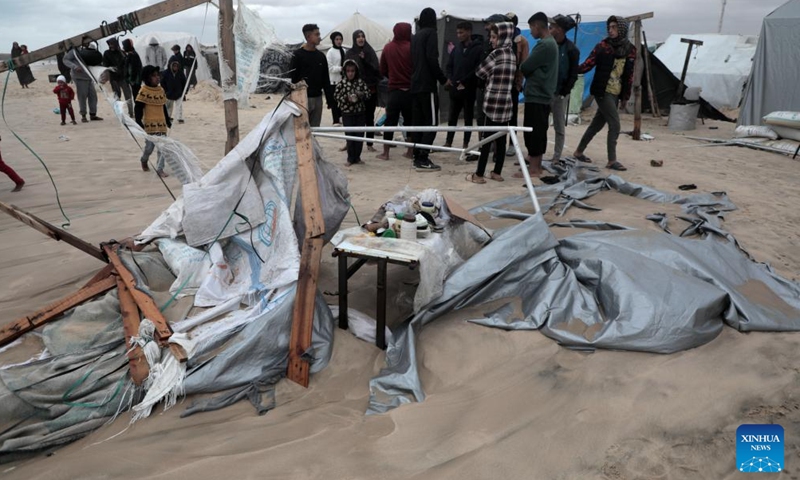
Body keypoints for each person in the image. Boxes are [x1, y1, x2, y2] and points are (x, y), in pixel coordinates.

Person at [572, 15, 636, 171]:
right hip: (602, 91)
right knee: (615, 124)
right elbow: (588, 64)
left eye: (614, 27)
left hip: (616, 92)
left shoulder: (630, 50)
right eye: (610, 27)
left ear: (622, 29)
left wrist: (625, 97)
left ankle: (578, 151)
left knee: (596, 124)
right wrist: (572, 71)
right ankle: (611, 160)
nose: (611, 30)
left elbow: (629, 76)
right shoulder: (603, 46)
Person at [466, 21, 515, 184]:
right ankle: (496, 172)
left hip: (492, 103)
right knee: (501, 139)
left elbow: (480, 72)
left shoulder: (496, 54)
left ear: (502, 37)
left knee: (486, 139)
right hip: (505, 104)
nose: (491, 40)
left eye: (494, 37)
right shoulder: (512, 54)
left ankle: (479, 174)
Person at [515, 12, 559, 178]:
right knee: (539, 130)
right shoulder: (550, 43)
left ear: (537, 26)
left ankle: (533, 169)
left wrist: (523, 65)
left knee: (533, 132)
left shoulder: (544, 45)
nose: (531, 31)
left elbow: (526, 66)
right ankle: (536, 166)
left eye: (531, 27)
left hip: (538, 94)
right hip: (542, 94)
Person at [411, 7, 450, 172]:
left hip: (415, 84)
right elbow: (432, 59)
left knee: (419, 123)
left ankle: (417, 156)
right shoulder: (431, 34)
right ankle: (423, 157)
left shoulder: (416, 36)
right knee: (432, 122)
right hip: (427, 85)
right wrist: (443, 80)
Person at [378, 22, 414, 161]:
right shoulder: (412, 48)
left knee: (390, 122)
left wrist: (394, 76)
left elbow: (382, 70)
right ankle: (410, 151)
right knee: (410, 122)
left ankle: (386, 153)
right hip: (409, 91)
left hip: (394, 91)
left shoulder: (388, 48)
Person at [444, 22, 482, 150]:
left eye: (461, 32)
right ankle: (448, 142)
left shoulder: (478, 49)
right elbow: (449, 66)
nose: (459, 35)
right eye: (457, 33)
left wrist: (464, 81)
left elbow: (477, 69)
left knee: (468, 118)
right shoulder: (456, 49)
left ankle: (466, 144)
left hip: (469, 89)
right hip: (455, 89)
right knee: (452, 117)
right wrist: (450, 78)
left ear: (469, 32)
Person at [289, 24, 335, 128]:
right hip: (302, 99)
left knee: (315, 129)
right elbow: (292, 78)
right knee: (301, 130)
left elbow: (325, 79)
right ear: (308, 36)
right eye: (317, 34)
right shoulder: (298, 55)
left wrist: (330, 99)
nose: (319, 37)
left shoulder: (321, 56)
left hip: (318, 98)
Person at [549, 15, 580, 164]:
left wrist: (564, 92)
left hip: (560, 93)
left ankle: (556, 156)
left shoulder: (571, 49)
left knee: (559, 125)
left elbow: (573, 73)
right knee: (540, 124)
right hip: (546, 91)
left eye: (552, 26)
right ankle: (536, 154)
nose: (550, 29)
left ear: (559, 30)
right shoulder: (548, 45)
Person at [345, 30, 381, 152]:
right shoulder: (350, 53)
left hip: (370, 89)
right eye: (358, 37)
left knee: (369, 117)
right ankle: (350, 142)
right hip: (354, 90)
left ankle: (369, 143)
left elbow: (376, 70)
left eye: (363, 36)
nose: (361, 39)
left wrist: (365, 60)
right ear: (354, 39)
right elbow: (346, 71)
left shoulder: (369, 52)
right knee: (353, 117)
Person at [136, 65, 172, 177]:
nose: (157, 78)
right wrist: (138, 121)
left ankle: (160, 169)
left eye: (158, 75)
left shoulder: (161, 90)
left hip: (161, 125)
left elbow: (163, 106)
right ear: (147, 78)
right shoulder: (144, 91)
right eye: (154, 76)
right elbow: (138, 107)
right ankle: (144, 159)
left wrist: (167, 120)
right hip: (149, 126)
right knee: (149, 148)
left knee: (162, 148)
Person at [334, 59, 371, 166]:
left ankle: (357, 157)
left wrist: (361, 95)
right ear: (345, 71)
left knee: (359, 136)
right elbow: (335, 96)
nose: (350, 73)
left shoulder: (360, 82)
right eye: (348, 71)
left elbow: (368, 94)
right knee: (350, 136)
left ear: (356, 71)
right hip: (347, 114)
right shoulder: (342, 83)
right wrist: (346, 98)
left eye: (352, 71)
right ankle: (350, 159)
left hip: (360, 113)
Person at [505, 14, 529, 157]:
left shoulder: (522, 41)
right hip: (502, 83)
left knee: (512, 115)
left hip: (513, 84)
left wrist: (518, 83)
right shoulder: (502, 38)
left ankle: (512, 144)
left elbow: (524, 64)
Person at [63, 46, 103, 123]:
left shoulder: (85, 50)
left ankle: (93, 114)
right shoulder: (74, 51)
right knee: (82, 97)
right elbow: (65, 60)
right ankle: (83, 116)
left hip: (89, 77)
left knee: (93, 96)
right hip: (79, 77)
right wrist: (75, 67)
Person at [103, 37, 133, 115]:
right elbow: (105, 65)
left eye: (112, 44)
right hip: (114, 78)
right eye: (110, 44)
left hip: (123, 77)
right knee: (117, 96)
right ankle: (120, 113)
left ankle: (131, 112)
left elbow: (126, 63)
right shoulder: (107, 53)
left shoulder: (121, 52)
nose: (111, 46)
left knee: (128, 95)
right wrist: (110, 68)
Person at [326, 32, 346, 125]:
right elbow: (330, 68)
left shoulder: (344, 50)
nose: (339, 41)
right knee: (335, 101)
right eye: (337, 39)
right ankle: (336, 119)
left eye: (340, 39)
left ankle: (342, 117)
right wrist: (341, 68)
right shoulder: (330, 52)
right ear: (333, 40)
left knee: (343, 100)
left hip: (343, 80)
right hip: (334, 80)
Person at [161, 59, 186, 124]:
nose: (175, 68)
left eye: (176, 66)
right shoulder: (165, 73)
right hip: (169, 93)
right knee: (169, 106)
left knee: (179, 106)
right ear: (171, 66)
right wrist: (165, 91)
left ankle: (179, 118)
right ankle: (168, 117)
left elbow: (184, 82)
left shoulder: (181, 73)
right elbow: (162, 83)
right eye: (174, 66)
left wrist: (184, 91)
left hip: (178, 92)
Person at [122, 39, 143, 106]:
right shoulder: (132, 54)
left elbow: (133, 69)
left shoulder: (132, 55)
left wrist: (131, 80)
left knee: (137, 98)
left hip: (135, 80)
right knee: (137, 97)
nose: (123, 48)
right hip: (135, 80)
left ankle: (139, 113)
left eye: (124, 46)